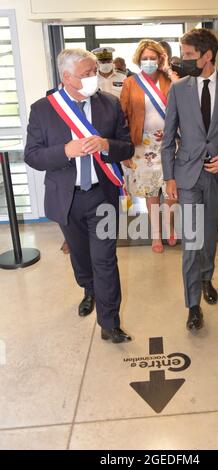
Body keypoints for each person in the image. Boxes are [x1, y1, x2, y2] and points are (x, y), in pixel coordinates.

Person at [25, 48, 134, 344]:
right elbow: (32, 156)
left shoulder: (109, 104)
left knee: (105, 260)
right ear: (67, 77)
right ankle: (88, 289)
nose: (92, 79)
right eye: (85, 75)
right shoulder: (43, 109)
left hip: (102, 196)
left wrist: (106, 145)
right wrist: (65, 151)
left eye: (93, 73)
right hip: (67, 198)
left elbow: (127, 148)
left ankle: (110, 323)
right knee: (82, 258)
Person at [161, 29, 218, 330]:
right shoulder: (178, 89)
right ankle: (192, 306)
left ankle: (206, 279)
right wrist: (169, 176)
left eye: (188, 55)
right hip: (187, 175)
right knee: (191, 241)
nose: (183, 60)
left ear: (207, 55)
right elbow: (168, 139)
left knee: (209, 234)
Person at [120, 39, 177, 253]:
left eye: (153, 58)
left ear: (161, 59)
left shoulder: (170, 80)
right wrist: (125, 148)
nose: (149, 62)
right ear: (138, 60)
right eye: (145, 59)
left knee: (171, 191)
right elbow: (122, 116)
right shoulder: (131, 83)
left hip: (171, 143)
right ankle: (156, 235)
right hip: (142, 145)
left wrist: (171, 73)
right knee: (151, 192)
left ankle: (169, 227)